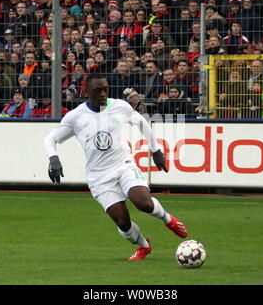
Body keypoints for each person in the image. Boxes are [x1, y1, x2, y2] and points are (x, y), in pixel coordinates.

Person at [44, 72, 188, 261]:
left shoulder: (120, 107)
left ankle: (167, 219)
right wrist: (53, 158)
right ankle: (144, 246)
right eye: (98, 91)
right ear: (87, 92)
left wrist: (156, 150)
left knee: (143, 202)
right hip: (98, 177)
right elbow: (51, 139)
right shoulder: (76, 117)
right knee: (123, 222)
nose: (103, 94)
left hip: (123, 165)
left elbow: (141, 122)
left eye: (105, 89)